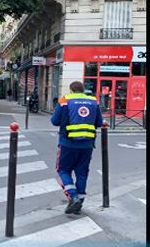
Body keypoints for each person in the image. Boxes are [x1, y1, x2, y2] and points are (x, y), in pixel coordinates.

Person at [50, 81, 103, 215]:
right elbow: (99, 122)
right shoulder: (93, 101)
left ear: (71, 90)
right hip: (87, 144)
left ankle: (73, 197)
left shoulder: (65, 100)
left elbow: (55, 121)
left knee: (63, 169)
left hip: (68, 143)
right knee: (82, 172)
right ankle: (79, 202)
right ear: (83, 90)